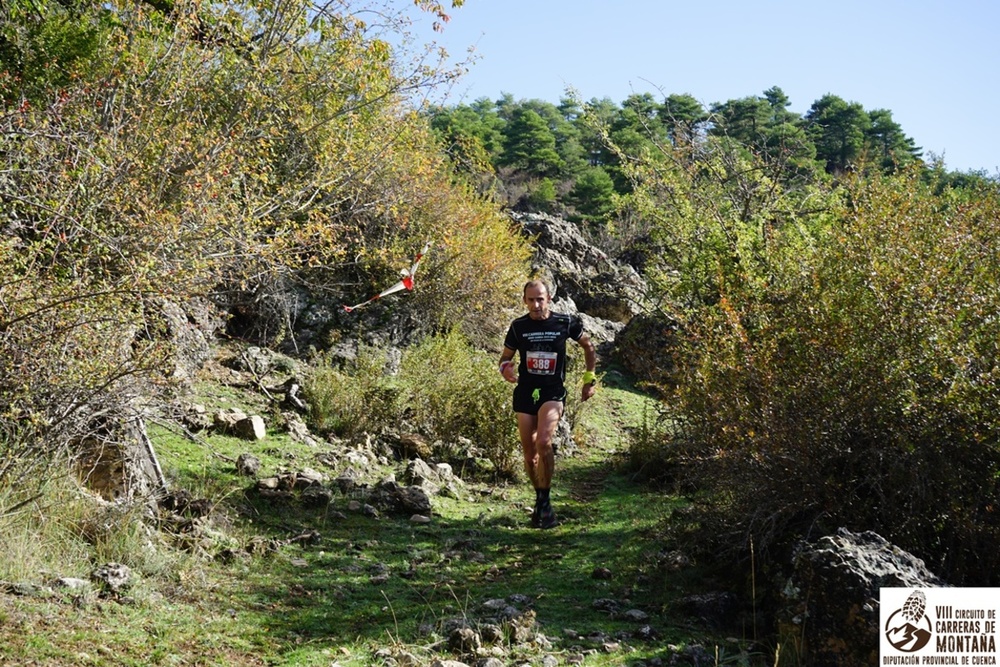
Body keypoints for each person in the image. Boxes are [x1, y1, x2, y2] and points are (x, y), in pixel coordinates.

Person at [498, 279, 597, 529]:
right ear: (524, 300)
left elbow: (588, 346)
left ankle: (545, 502)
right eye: (531, 299)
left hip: (552, 392)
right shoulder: (518, 326)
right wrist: (505, 369)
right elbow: (505, 358)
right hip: (525, 392)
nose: (536, 304)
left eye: (540, 298)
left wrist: (589, 379)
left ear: (549, 298)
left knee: (543, 442)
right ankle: (540, 497)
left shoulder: (565, 322)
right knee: (529, 454)